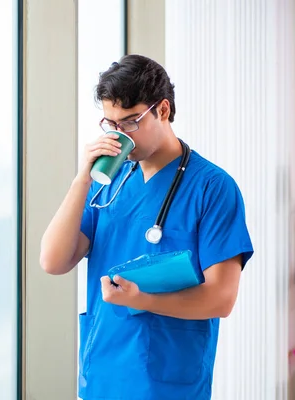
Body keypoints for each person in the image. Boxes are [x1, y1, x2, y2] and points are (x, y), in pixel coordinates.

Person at [39, 54, 254, 400]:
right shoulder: (107, 182)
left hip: (166, 382)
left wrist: (142, 299)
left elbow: (221, 298)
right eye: (110, 124)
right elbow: (53, 261)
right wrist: (83, 177)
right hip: (103, 375)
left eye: (130, 121)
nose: (119, 134)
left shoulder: (213, 188)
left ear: (163, 110)